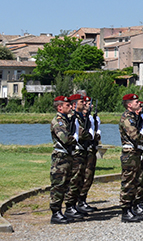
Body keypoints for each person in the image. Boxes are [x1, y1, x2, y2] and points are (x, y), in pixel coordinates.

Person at [49, 95, 77, 224]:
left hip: (67, 156)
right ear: (60, 107)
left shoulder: (67, 120)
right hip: (60, 158)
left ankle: (62, 211)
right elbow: (65, 138)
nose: (70, 107)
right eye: (67, 105)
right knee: (58, 185)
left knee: (66, 184)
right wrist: (75, 138)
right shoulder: (58, 121)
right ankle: (55, 212)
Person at [119, 94, 143, 223]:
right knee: (129, 182)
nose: (139, 103)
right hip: (129, 153)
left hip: (135, 152)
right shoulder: (127, 118)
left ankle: (131, 208)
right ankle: (125, 211)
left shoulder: (135, 117)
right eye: (136, 102)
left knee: (136, 181)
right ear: (129, 105)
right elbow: (135, 135)